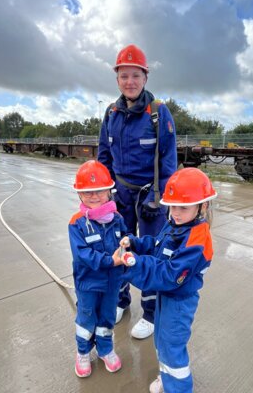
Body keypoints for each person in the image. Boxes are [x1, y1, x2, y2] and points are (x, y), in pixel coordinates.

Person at [113, 167, 217, 393]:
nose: (176, 213)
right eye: (172, 206)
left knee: (172, 347)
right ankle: (167, 376)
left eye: (183, 207)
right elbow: (157, 247)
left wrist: (134, 263)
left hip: (179, 303)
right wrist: (135, 243)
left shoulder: (197, 240)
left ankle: (178, 387)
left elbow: (170, 275)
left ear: (203, 206)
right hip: (166, 298)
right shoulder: (177, 225)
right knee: (161, 341)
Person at [98, 44, 177, 339]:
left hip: (150, 198)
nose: (129, 81)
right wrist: (104, 195)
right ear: (117, 79)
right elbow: (104, 157)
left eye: (135, 75)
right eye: (123, 76)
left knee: (152, 254)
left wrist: (159, 198)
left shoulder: (158, 113)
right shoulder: (111, 112)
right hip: (120, 197)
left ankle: (151, 314)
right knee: (119, 248)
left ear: (145, 78)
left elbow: (168, 161)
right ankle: (120, 301)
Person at [68, 160, 127, 378]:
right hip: (88, 284)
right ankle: (83, 353)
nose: (94, 196)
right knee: (86, 319)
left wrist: (128, 246)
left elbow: (125, 238)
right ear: (79, 195)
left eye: (99, 191)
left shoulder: (118, 219)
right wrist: (110, 261)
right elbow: (83, 255)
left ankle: (105, 349)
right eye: (87, 192)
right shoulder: (76, 223)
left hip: (112, 283)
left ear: (109, 191)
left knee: (107, 318)